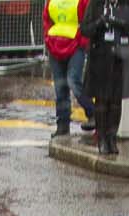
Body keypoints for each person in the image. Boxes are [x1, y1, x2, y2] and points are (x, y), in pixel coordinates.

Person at [80, 0, 129, 156]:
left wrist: (121, 24)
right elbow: (85, 29)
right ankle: (102, 139)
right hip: (101, 57)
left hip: (122, 56)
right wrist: (100, 22)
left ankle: (112, 139)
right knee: (101, 100)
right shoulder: (96, 4)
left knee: (116, 100)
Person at [43, 0, 92, 138]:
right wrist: (48, 38)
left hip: (75, 45)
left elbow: (87, 19)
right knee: (60, 88)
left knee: (73, 81)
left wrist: (82, 42)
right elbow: (47, 18)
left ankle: (92, 113)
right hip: (55, 45)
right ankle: (62, 125)